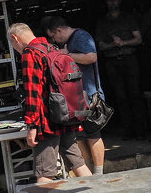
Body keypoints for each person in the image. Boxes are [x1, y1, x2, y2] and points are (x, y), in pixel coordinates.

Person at [7, 23, 92, 184]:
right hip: (65, 114)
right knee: (78, 163)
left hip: (47, 122)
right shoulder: (51, 48)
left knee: (44, 172)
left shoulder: (30, 53)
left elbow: (33, 93)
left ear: (15, 38)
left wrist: (32, 126)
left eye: (13, 45)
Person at [41, 15, 107, 174]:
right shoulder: (72, 40)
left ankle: (98, 173)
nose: (55, 41)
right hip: (78, 97)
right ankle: (89, 172)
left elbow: (92, 57)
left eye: (54, 37)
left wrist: (66, 55)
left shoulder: (81, 36)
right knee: (81, 137)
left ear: (58, 30)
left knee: (93, 134)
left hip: (90, 96)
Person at [94, 0, 149, 139]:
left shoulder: (128, 18)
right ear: (106, 3)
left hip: (130, 59)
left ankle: (141, 130)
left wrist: (123, 43)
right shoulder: (102, 22)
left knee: (135, 94)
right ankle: (128, 130)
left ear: (119, 0)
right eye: (109, 0)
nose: (112, 2)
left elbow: (138, 39)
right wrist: (113, 44)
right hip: (112, 62)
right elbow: (100, 45)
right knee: (120, 97)